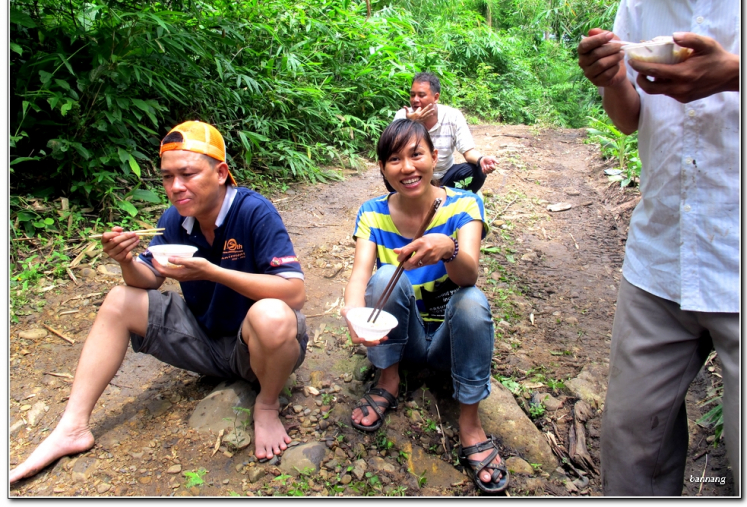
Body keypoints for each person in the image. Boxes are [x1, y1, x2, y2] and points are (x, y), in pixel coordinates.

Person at [10, 121, 308, 484]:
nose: (175, 187)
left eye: (187, 174)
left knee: (273, 315)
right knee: (120, 299)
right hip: (207, 342)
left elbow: (294, 293)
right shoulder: (176, 218)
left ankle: (266, 404)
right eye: (167, 177)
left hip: (259, 351)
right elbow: (149, 279)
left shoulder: (253, 211)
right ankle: (72, 428)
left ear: (221, 173)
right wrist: (126, 261)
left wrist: (212, 272)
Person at [577, 0, 738, 496]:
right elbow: (628, 117)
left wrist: (734, 74)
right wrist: (612, 79)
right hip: (660, 256)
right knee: (630, 453)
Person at [341, 118, 508, 494]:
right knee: (385, 277)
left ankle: (469, 421)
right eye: (394, 159)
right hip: (405, 338)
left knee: (472, 301)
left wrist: (449, 249)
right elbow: (359, 275)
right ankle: (389, 378)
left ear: (434, 157)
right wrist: (353, 312)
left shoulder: (465, 203)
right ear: (383, 168)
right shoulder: (371, 212)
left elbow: (468, 276)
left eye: (416, 155)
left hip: (449, 341)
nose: (407, 167)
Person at [392, 72, 498, 193]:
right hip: (414, 175)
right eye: (412, 95)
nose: (415, 100)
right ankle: (409, 201)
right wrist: (412, 123)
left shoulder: (453, 116)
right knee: (388, 168)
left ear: (436, 97)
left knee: (477, 170)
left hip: (444, 176)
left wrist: (481, 160)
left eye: (421, 95)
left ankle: (447, 199)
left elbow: (468, 152)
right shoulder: (402, 116)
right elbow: (393, 150)